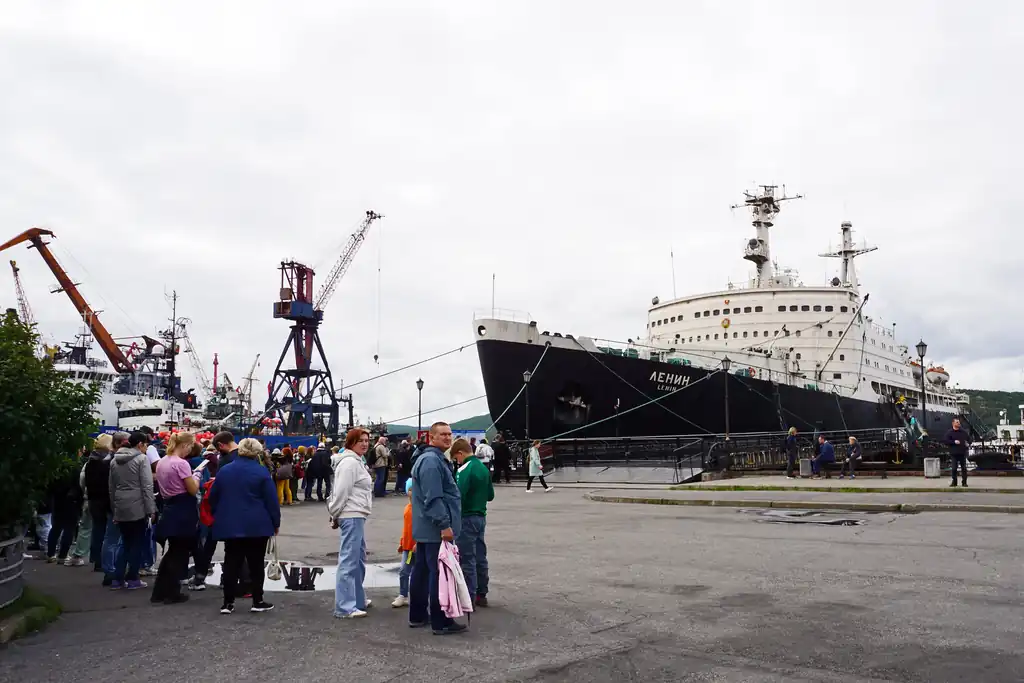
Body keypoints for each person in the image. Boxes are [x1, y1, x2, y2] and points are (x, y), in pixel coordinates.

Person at [208, 438, 279, 615]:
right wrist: (275, 522)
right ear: (257, 452)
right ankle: (257, 600)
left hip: (231, 522)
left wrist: (219, 514)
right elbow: (271, 501)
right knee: (256, 564)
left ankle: (228, 603)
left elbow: (213, 496)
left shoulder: (225, 470)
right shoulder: (261, 472)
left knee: (232, 562)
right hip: (257, 523)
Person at [408, 421, 466, 635]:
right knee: (438, 573)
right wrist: (444, 525)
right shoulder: (432, 462)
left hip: (425, 527)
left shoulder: (430, 459)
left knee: (422, 571)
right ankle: (441, 621)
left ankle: (418, 615)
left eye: (450, 434)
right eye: (442, 435)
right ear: (431, 437)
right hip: (434, 528)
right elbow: (434, 498)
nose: (448, 438)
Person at [328, 428, 374, 619]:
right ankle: (345, 606)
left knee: (358, 558)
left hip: (357, 514)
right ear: (350, 442)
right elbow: (340, 493)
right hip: (351, 514)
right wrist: (335, 514)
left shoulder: (356, 461)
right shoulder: (349, 463)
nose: (364, 443)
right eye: (360, 440)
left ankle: (357, 599)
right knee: (349, 560)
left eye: (366, 440)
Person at [151, 432, 201, 605]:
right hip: (183, 509)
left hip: (169, 506)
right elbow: (193, 490)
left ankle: (160, 591)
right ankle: (172, 592)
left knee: (173, 551)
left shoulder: (163, 462)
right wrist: (197, 476)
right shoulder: (181, 464)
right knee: (180, 553)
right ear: (185, 445)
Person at [108, 431, 157, 590]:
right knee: (137, 543)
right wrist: (151, 509)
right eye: (146, 444)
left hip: (120, 504)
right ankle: (133, 578)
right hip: (138, 505)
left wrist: (115, 509)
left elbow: (112, 487)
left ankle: (117, 578)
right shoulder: (141, 459)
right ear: (140, 444)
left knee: (125, 542)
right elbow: (147, 486)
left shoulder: (115, 461)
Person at [453, 437, 494, 607]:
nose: (457, 461)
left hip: (467, 516)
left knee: (467, 558)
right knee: (480, 556)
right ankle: (481, 593)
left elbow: (458, 496)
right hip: (481, 516)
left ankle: (468, 597)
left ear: (460, 453)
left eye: (456, 458)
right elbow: (490, 495)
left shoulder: (464, 469)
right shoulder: (483, 469)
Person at [99, 431, 129, 586]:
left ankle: (110, 570)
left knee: (111, 539)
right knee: (113, 539)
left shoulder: (106, 460)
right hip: (115, 504)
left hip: (111, 503)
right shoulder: (113, 461)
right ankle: (111, 571)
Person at [47, 449, 85, 564]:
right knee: (69, 529)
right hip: (72, 501)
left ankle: (51, 554)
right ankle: (63, 555)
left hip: (58, 499)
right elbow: (80, 485)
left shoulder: (57, 466)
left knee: (56, 527)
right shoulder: (77, 467)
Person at [83, 434, 115, 571]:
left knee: (97, 530)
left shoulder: (90, 461)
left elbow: (83, 481)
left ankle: (95, 558)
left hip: (92, 498)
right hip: (104, 498)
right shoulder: (106, 462)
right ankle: (103, 561)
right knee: (107, 533)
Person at [392, 480, 415, 608]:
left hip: (416, 546)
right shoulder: (407, 508)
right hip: (408, 546)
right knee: (404, 571)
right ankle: (403, 595)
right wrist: (402, 542)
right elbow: (406, 528)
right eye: (410, 489)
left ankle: (415, 595)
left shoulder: (420, 508)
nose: (412, 492)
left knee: (416, 572)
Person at [946, 418, 971, 487]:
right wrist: (954, 442)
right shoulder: (949, 432)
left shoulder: (963, 432)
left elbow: (969, 439)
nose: (958, 423)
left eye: (959, 422)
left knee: (964, 468)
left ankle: (964, 482)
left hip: (962, 452)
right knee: (954, 468)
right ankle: (954, 482)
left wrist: (968, 443)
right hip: (954, 453)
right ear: (953, 423)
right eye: (957, 422)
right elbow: (946, 441)